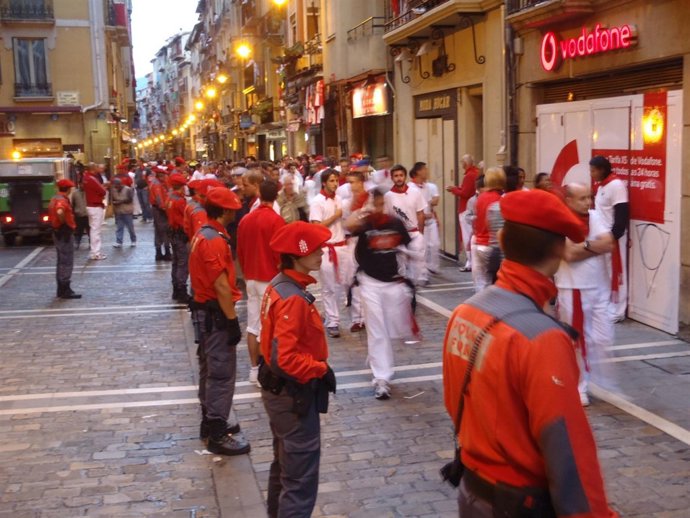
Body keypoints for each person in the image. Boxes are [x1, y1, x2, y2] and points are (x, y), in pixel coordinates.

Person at [443, 189, 618, 517]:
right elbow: (568, 452)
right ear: (559, 248)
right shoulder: (542, 339)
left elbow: (453, 401)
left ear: (501, 238)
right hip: (518, 503)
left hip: (473, 492)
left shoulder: (464, 313)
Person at [258, 221, 336, 518]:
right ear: (297, 254)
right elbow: (286, 358)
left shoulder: (281, 285)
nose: (321, 253)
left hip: (281, 394)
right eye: (315, 249)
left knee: (285, 469)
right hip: (293, 396)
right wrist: (319, 369)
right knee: (299, 481)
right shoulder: (293, 298)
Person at [189, 187, 250, 456]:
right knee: (221, 372)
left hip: (206, 312)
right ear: (225, 211)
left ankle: (211, 420)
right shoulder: (214, 240)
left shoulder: (205, 234)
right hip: (215, 314)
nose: (236, 213)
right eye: (233, 210)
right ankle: (216, 430)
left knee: (209, 368)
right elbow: (222, 286)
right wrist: (232, 320)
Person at [346, 189, 416, 400]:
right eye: (374, 204)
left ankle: (377, 360)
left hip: (392, 282)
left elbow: (408, 244)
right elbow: (347, 226)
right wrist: (361, 211)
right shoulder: (366, 224)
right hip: (370, 283)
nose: (377, 208)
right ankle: (381, 378)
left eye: (380, 204)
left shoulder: (394, 222)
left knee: (394, 329)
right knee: (377, 332)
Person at [556, 183, 615, 406]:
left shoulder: (594, 215)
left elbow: (608, 243)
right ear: (568, 200)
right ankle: (579, 385)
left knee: (602, 337)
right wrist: (593, 246)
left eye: (589, 197)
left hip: (598, 285)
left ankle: (596, 379)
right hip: (574, 287)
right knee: (578, 340)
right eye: (582, 198)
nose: (588, 202)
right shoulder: (560, 220)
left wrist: (584, 245)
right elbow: (569, 254)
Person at [237, 180, 286, 387]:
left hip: (251, 277)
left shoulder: (246, 220)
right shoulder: (276, 221)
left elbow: (239, 250)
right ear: (276, 196)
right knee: (270, 326)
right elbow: (280, 253)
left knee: (253, 325)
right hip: (270, 278)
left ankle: (254, 369)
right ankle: (266, 369)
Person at [590, 155, 629, 322]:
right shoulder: (601, 187)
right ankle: (607, 305)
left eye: (593, 170)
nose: (591, 174)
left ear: (602, 170)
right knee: (604, 274)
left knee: (617, 273)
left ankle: (618, 310)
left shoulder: (616, 186)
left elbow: (621, 213)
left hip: (613, 238)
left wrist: (614, 236)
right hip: (602, 237)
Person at [309, 169, 349, 338]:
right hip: (326, 249)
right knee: (328, 287)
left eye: (336, 180)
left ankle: (334, 315)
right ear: (324, 182)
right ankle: (333, 321)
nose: (335, 184)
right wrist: (335, 216)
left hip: (341, 246)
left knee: (343, 284)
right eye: (332, 180)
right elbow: (316, 226)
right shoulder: (317, 202)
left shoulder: (339, 199)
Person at [383, 164, 427, 286]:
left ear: (405, 176)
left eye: (401, 175)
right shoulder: (388, 196)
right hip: (397, 236)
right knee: (400, 267)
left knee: (417, 265)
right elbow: (386, 217)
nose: (399, 178)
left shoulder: (415, 192)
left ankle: (413, 289)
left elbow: (420, 214)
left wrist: (420, 233)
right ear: (392, 178)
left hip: (414, 233)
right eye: (396, 176)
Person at [471, 167, 505, 293]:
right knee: (492, 284)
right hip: (489, 245)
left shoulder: (481, 197)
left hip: (478, 242)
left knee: (480, 284)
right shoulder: (499, 199)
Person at [48, 179, 81, 299]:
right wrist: (64, 224)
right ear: (68, 189)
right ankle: (65, 288)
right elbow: (60, 211)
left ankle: (61, 288)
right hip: (63, 233)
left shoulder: (54, 198)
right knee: (66, 261)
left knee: (61, 260)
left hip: (57, 232)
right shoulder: (62, 200)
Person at [447, 155, 480, 271]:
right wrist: (457, 188)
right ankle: (470, 261)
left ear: (466, 164)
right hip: (471, 207)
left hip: (466, 208)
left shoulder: (469, 175)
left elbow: (465, 193)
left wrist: (453, 190)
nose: (461, 165)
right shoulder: (475, 173)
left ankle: (469, 262)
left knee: (467, 236)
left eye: (462, 163)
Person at [409, 162, 440, 275]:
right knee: (423, 247)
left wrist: (431, 213)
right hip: (418, 222)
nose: (427, 171)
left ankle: (433, 266)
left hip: (430, 220)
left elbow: (431, 202)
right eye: (425, 169)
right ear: (418, 172)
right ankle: (422, 271)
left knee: (435, 244)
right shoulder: (410, 188)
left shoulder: (428, 187)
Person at [167, 173, 190, 302]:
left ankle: (176, 288)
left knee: (176, 262)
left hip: (173, 232)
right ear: (181, 187)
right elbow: (184, 219)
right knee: (182, 263)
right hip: (180, 233)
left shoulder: (170, 198)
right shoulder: (180, 200)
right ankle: (181, 290)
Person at [82, 164, 107, 260]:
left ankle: (94, 252)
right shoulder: (91, 178)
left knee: (93, 229)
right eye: (96, 167)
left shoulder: (86, 178)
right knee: (96, 230)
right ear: (93, 169)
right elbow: (102, 191)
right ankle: (95, 252)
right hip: (95, 205)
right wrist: (104, 187)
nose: (98, 168)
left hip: (90, 205)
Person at [150, 165, 172, 261]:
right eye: (164, 176)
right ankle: (166, 252)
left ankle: (159, 253)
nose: (166, 178)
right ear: (160, 176)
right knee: (164, 231)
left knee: (158, 231)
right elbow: (159, 200)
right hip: (160, 211)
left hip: (157, 210)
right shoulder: (157, 185)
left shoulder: (157, 183)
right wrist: (165, 209)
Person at [110, 178, 136, 248]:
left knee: (130, 227)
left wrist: (120, 202)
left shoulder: (128, 189)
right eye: (114, 186)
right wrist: (115, 203)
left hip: (127, 210)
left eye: (116, 186)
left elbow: (130, 199)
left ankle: (133, 240)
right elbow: (113, 199)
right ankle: (119, 241)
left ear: (120, 184)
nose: (116, 187)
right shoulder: (113, 190)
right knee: (119, 227)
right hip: (118, 211)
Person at [70, 177, 89, 250]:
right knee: (78, 231)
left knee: (90, 230)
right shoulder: (75, 193)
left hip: (88, 214)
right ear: (79, 184)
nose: (83, 185)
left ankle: (91, 243)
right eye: (81, 184)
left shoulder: (89, 192)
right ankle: (77, 243)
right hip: (79, 215)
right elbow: (73, 204)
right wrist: (74, 213)